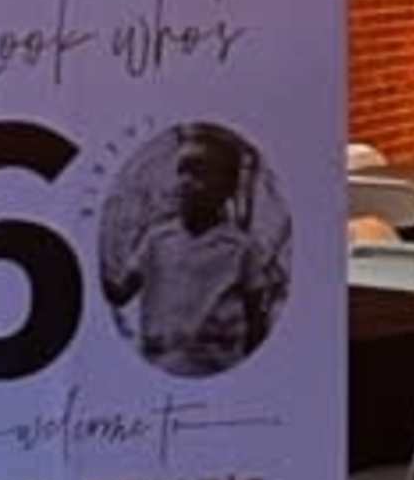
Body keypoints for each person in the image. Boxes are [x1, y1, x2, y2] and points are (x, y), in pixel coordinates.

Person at [105, 126, 283, 376]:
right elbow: (121, 292)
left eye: (198, 172)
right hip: (156, 367)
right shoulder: (157, 239)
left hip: (214, 369)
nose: (184, 182)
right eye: (182, 171)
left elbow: (257, 320)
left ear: (226, 187)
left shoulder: (241, 249)